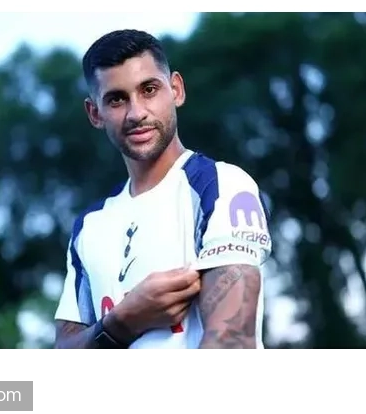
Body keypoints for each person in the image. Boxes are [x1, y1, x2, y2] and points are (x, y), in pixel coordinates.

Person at [54, 29, 272, 349]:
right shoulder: (88, 226)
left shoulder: (220, 185)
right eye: (116, 99)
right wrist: (123, 322)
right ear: (95, 113)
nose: (136, 113)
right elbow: (63, 350)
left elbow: (232, 342)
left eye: (149, 90)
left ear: (176, 90)